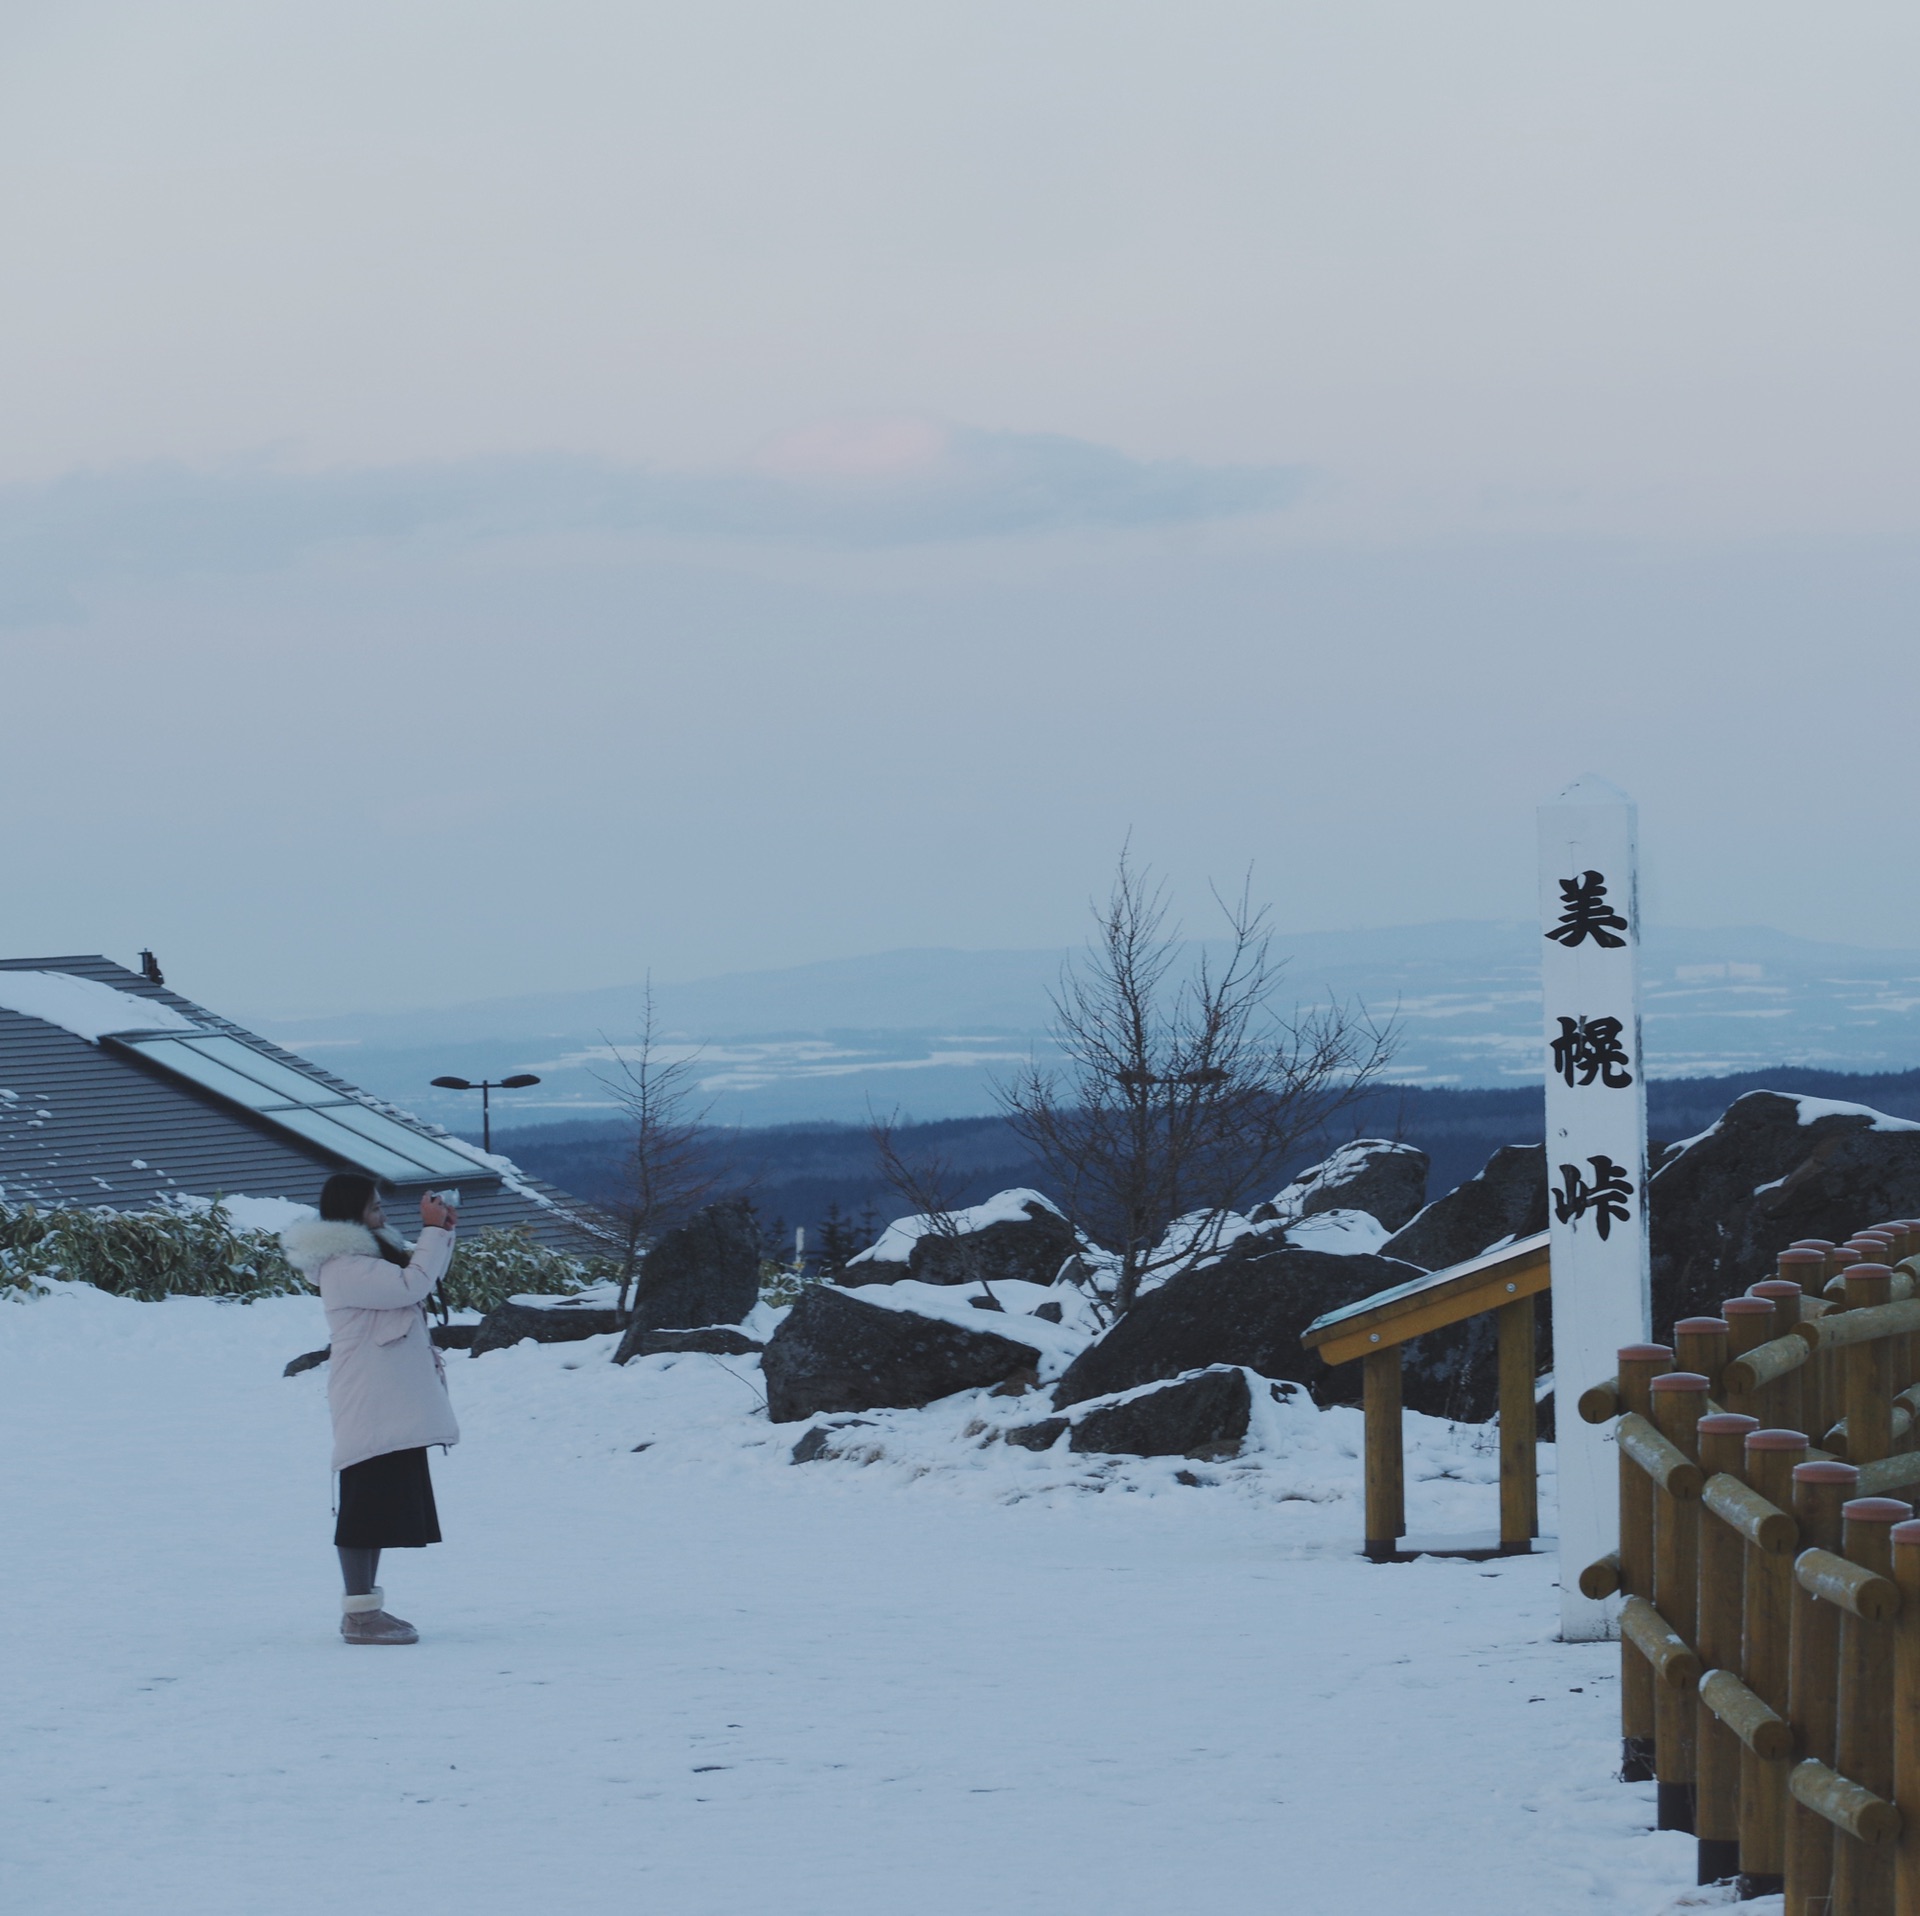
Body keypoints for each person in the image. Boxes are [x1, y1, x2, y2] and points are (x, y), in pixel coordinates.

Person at [282, 1175, 459, 1645]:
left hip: (387, 1401)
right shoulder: (344, 1265)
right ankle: (359, 1616)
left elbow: (421, 1279)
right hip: (372, 1401)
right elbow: (411, 1286)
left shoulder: (366, 1257)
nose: (382, 1214)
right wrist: (433, 1231)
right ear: (351, 1212)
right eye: (374, 1207)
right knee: (363, 1508)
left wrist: (442, 1231)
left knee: (376, 1508)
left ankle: (365, 1611)